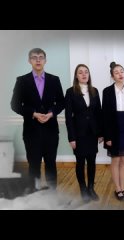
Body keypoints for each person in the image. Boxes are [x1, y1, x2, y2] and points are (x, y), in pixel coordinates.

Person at [10, 48, 64, 192]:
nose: (38, 60)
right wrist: (33, 114)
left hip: (51, 130)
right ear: (29, 61)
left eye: (41, 57)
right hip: (31, 131)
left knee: (51, 164)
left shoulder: (54, 79)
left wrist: (51, 113)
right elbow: (14, 105)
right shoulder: (22, 80)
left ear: (45, 60)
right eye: (34, 57)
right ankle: (35, 196)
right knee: (33, 165)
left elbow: (61, 102)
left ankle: (52, 195)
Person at [65, 64, 103, 203]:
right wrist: (71, 137)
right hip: (78, 134)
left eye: (86, 72)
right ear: (76, 76)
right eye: (80, 72)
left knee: (92, 161)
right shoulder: (70, 92)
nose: (84, 74)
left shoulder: (94, 91)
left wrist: (101, 133)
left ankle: (91, 188)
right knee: (80, 162)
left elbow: (99, 113)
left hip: (92, 133)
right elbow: (69, 117)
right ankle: (83, 189)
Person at [102, 62, 124, 201]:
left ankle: (123, 187)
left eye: (122, 71)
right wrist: (107, 136)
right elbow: (105, 116)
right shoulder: (107, 91)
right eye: (116, 72)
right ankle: (117, 189)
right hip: (114, 130)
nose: (120, 74)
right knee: (115, 160)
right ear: (112, 76)